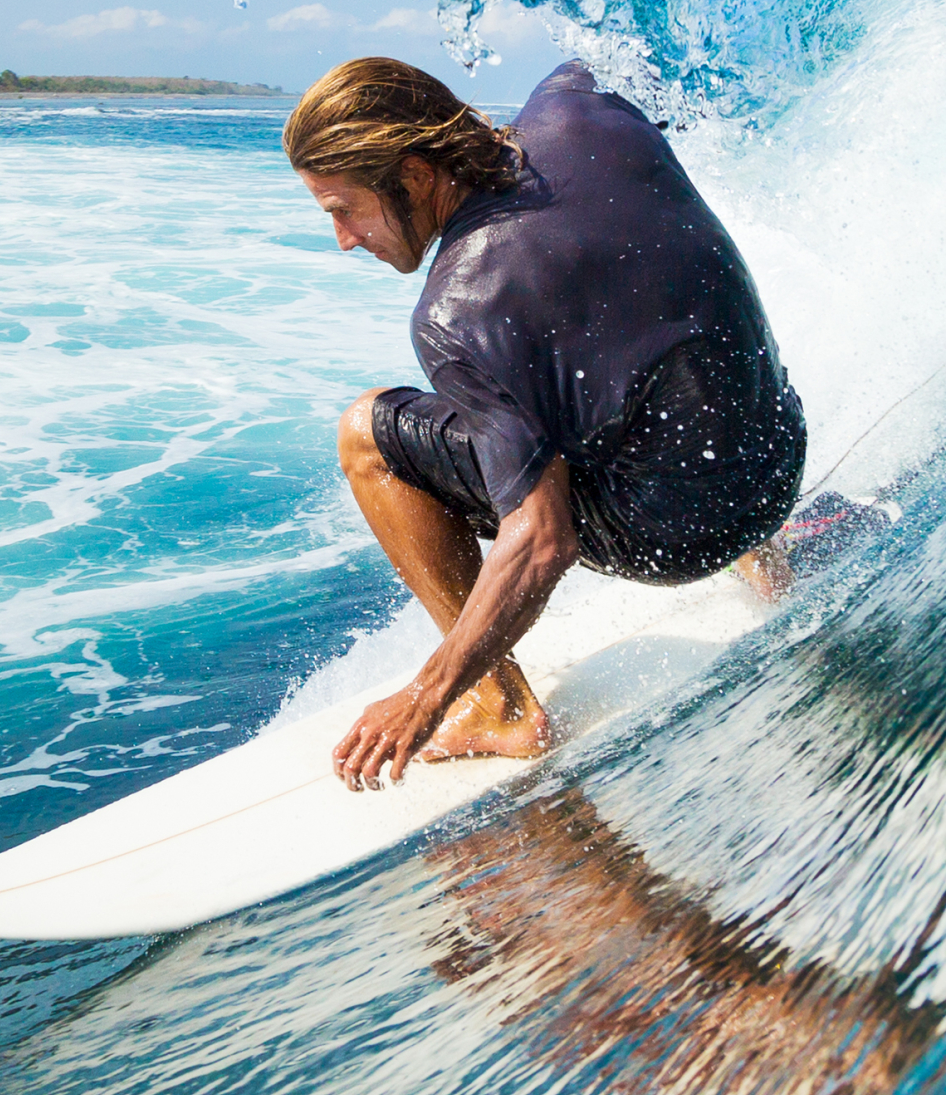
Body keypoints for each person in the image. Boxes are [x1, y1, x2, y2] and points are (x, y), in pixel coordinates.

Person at [283, 57, 806, 790]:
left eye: (344, 209)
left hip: (679, 538)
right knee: (621, 327)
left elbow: (542, 539)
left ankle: (499, 705)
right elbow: (631, 61)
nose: (342, 237)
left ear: (413, 176)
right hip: (777, 460)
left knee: (366, 432)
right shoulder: (579, 106)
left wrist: (423, 696)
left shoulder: (456, 310)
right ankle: (768, 557)